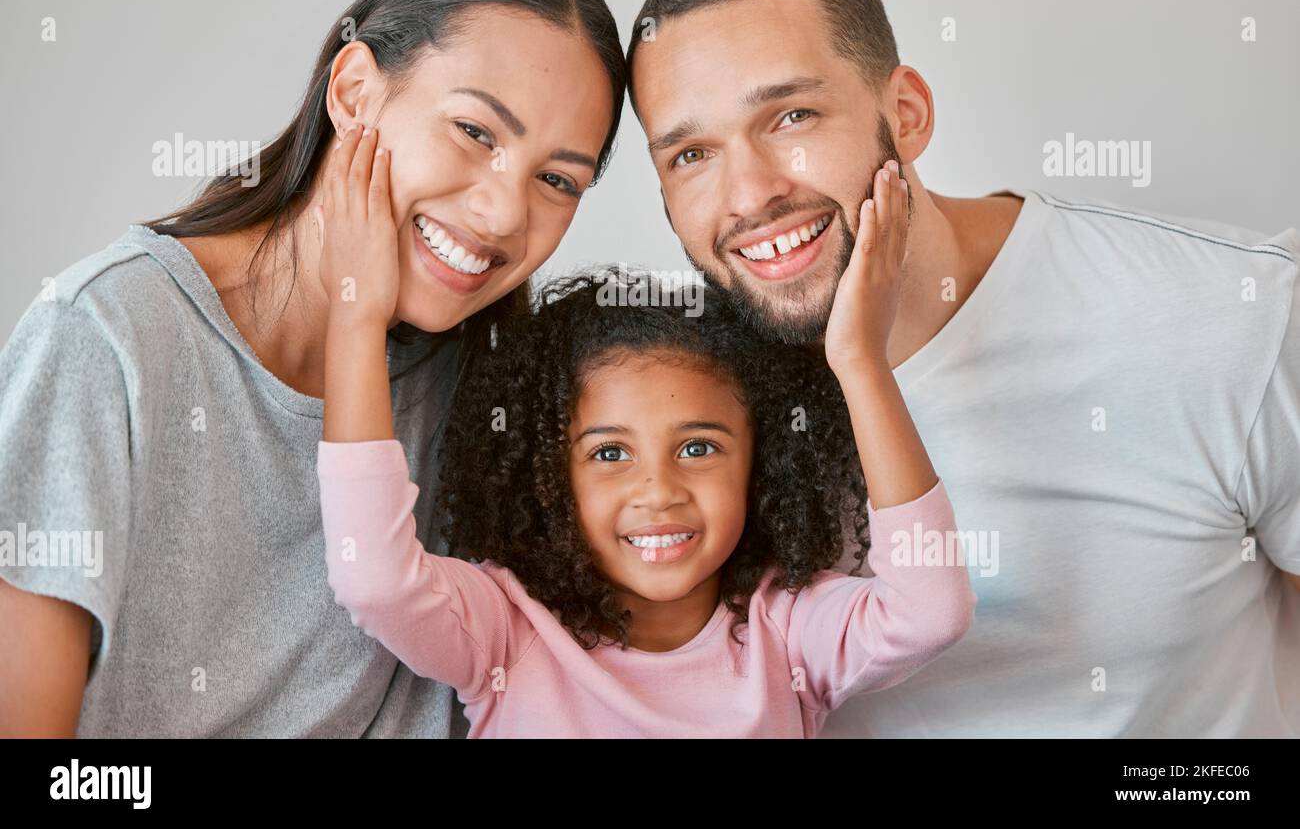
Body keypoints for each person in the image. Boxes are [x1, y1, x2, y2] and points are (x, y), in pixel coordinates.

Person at [624, 0, 1300, 736]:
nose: (748, 195)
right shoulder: (675, 405)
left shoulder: (1234, 314)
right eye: (692, 153)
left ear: (904, 114)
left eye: (792, 115)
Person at [0, 0, 624, 737]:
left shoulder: (505, 390)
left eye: (557, 180)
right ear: (356, 91)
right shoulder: (106, 337)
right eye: (475, 131)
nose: (505, 213)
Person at [312, 143, 974, 736]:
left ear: (761, 462)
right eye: (608, 453)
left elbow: (929, 613)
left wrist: (859, 360)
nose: (659, 491)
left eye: (698, 447)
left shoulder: (791, 634)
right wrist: (356, 315)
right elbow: (375, 580)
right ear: (549, 475)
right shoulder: (508, 630)